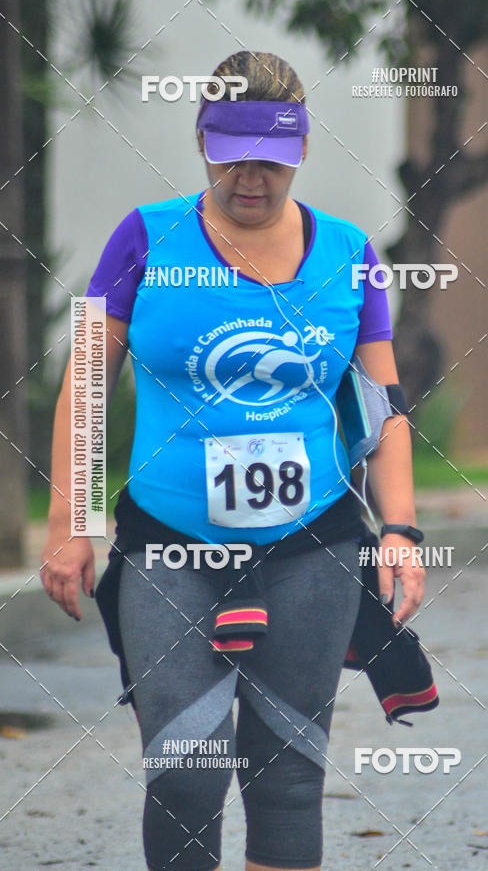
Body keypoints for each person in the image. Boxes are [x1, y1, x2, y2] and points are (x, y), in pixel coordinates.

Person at [41, 51, 425, 871]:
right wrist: (68, 523)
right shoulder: (145, 239)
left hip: (312, 546)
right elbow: (86, 386)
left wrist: (401, 529)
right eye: (233, 155)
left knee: (287, 776)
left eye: (273, 160)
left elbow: (382, 411)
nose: (251, 177)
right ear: (203, 143)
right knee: (185, 768)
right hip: (171, 544)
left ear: (303, 153)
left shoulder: (349, 254)